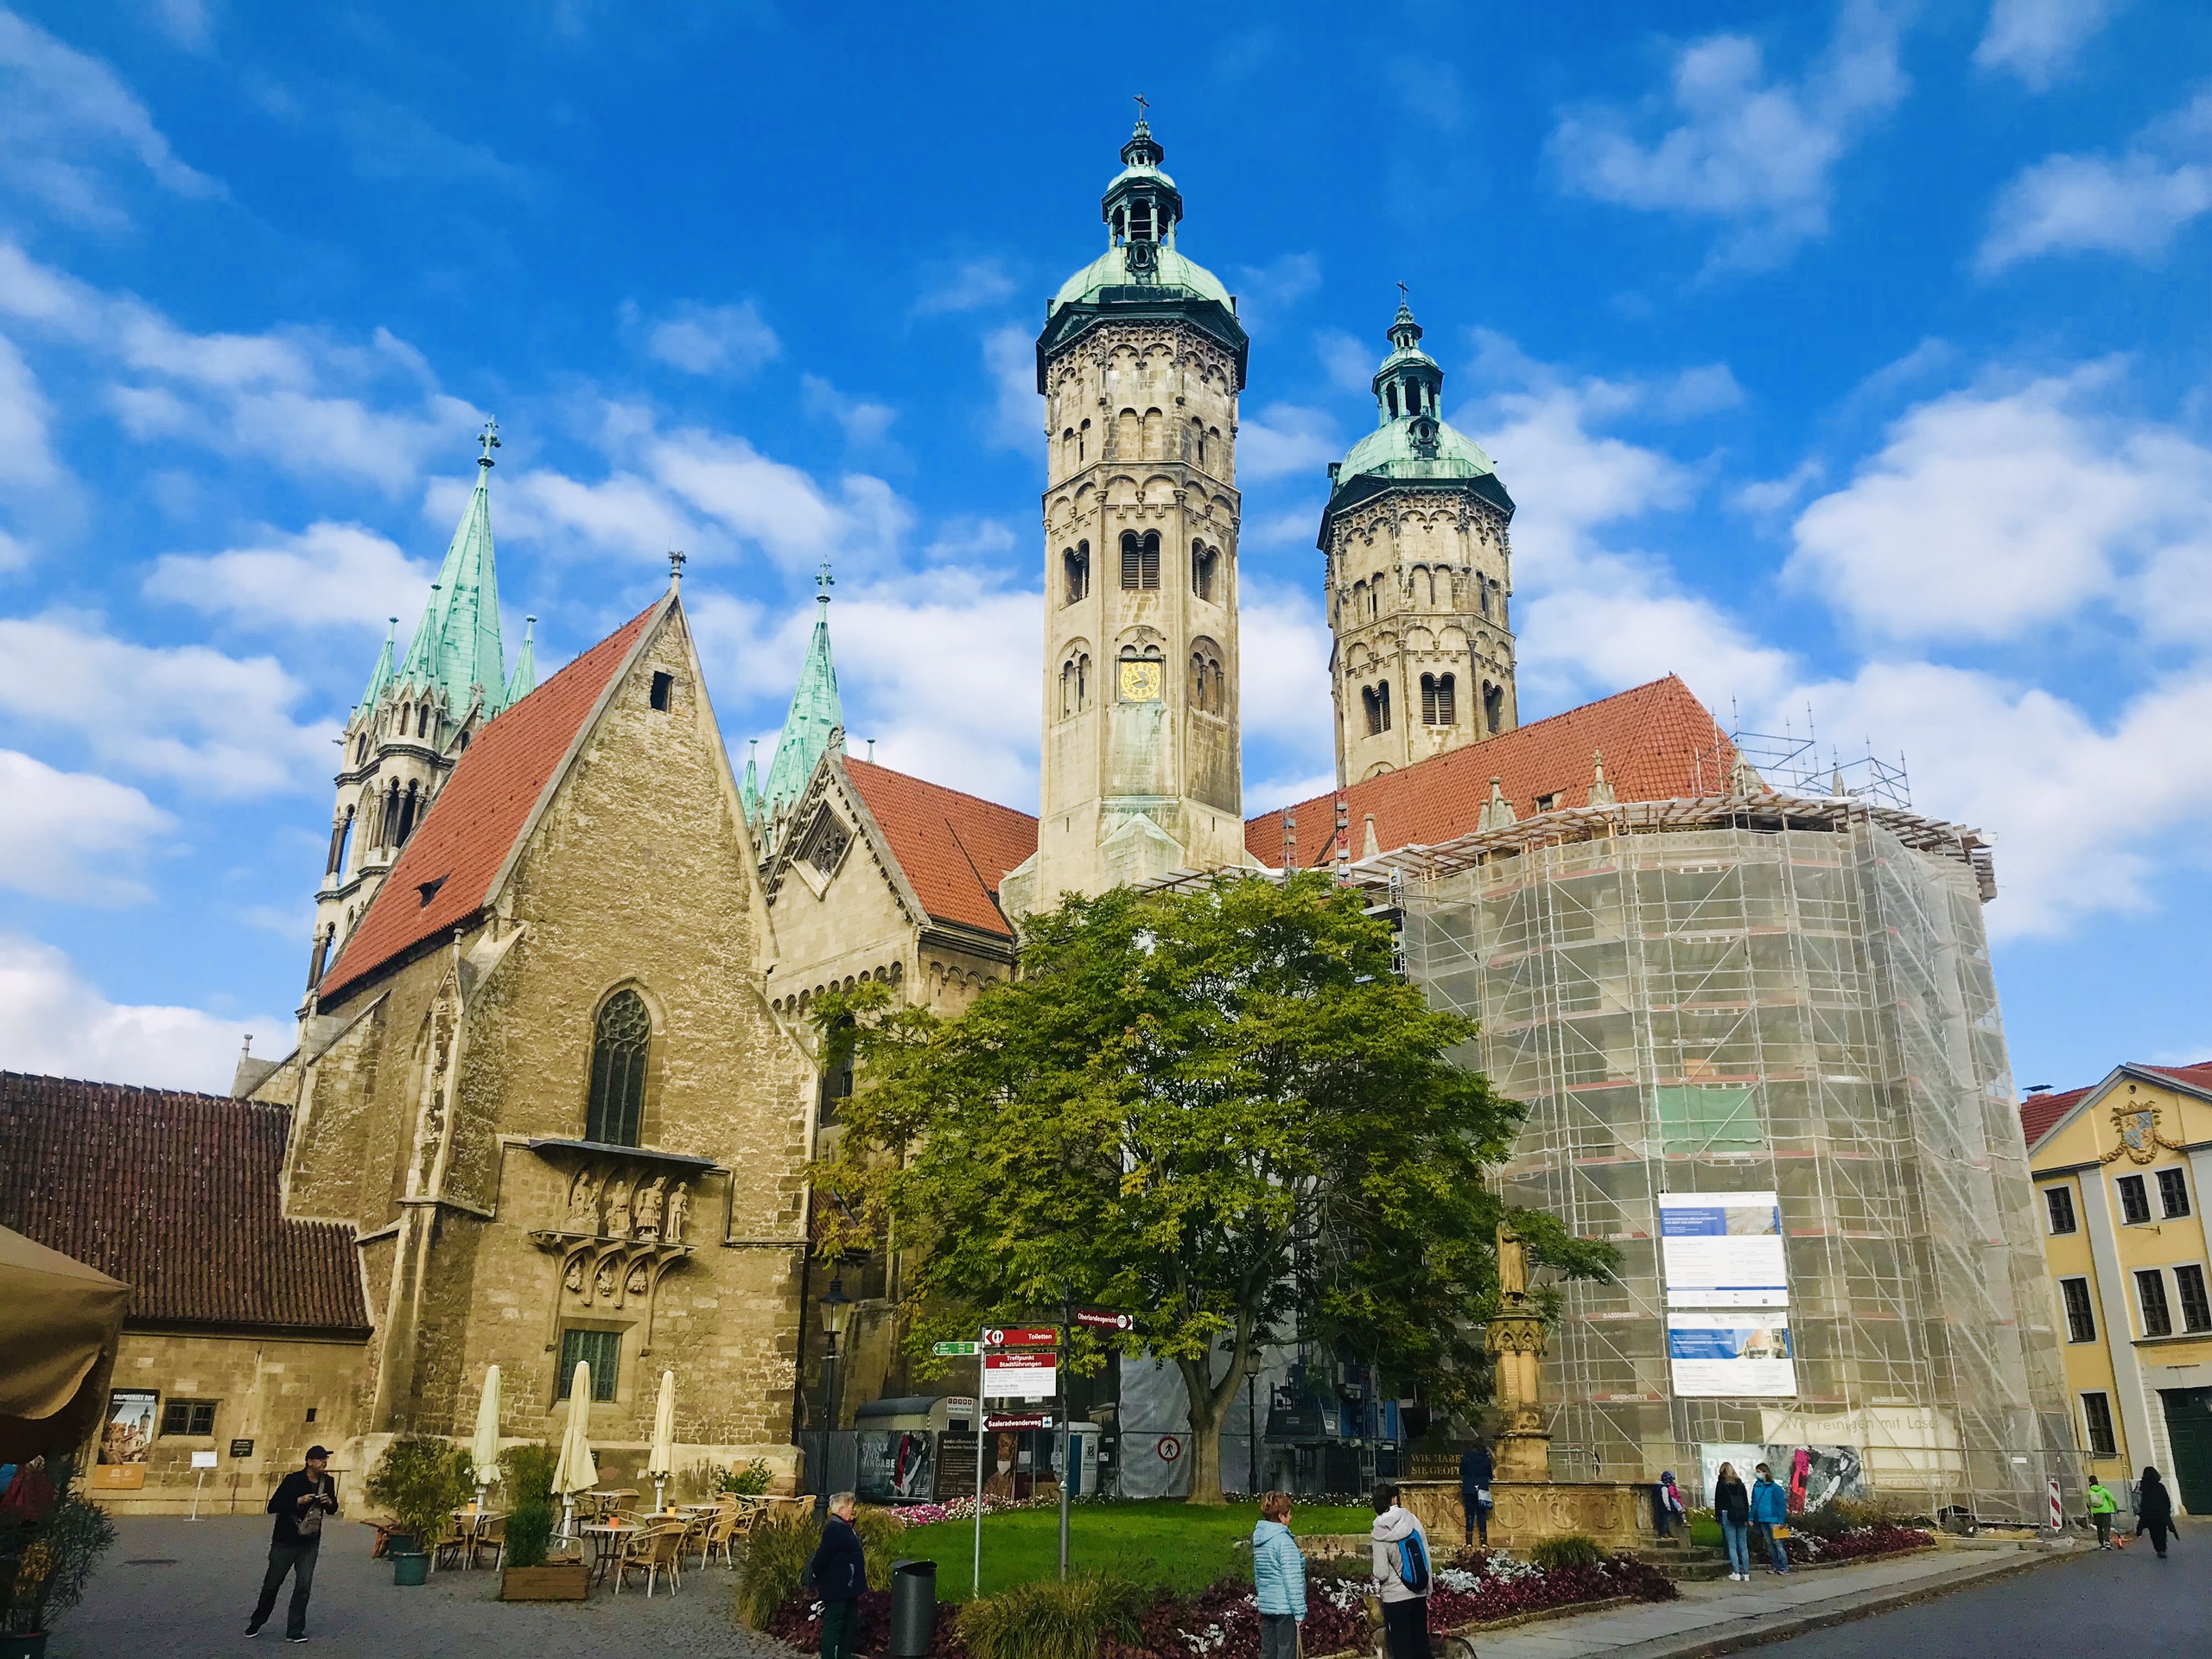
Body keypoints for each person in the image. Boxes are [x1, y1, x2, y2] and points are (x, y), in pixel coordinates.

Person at [248, 1446, 338, 1642]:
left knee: (303, 1587)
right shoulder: (293, 1480)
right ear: (309, 1462)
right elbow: (273, 1506)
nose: (324, 1462)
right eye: (320, 1459)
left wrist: (328, 1502)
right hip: (285, 1542)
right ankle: (257, 1621)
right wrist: (298, 1501)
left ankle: (295, 1630)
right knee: (272, 1585)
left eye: (325, 1459)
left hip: (310, 1542)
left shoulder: (327, 1481)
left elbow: (333, 1509)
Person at [1370, 1482, 1432, 1659]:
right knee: (1422, 1646)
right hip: (1418, 1592)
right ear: (1394, 1499)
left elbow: (1381, 1572)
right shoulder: (1412, 1520)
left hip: (1395, 1599)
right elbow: (1425, 1556)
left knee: (1402, 1649)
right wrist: (1428, 1591)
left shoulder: (1379, 1533)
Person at [804, 1491, 867, 1659]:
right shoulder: (834, 1529)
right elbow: (822, 1557)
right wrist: (816, 1575)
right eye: (851, 1507)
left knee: (850, 1621)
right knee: (834, 1623)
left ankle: (844, 1655)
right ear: (841, 1510)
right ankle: (828, 1656)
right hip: (838, 1585)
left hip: (849, 1586)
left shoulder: (846, 1527)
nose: (854, 1511)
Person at [1252, 1491, 1307, 1659]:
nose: (1291, 1518)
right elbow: (1293, 1581)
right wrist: (1299, 1612)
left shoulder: (1260, 1541)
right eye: (1289, 1514)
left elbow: (1258, 1575)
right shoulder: (1285, 1543)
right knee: (1286, 1652)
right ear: (1282, 1516)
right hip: (1285, 1609)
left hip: (1267, 1606)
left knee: (1268, 1652)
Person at [1750, 1462, 1791, 1574]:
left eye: (1759, 1472)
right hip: (1762, 1518)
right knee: (1769, 1544)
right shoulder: (1757, 1486)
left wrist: (1781, 1520)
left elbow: (1781, 1504)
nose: (1757, 1474)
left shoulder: (1775, 1488)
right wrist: (1751, 1517)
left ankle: (1785, 1567)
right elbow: (1754, 1502)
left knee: (1778, 1543)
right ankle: (1775, 1566)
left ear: (1765, 1473)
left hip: (1774, 1519)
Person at [1713, 1461, 1751, 1582]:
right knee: (1743, 1545)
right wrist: (1747, 1516)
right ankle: (1746, 1573)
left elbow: (1718, 1502)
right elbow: (1745, 1501)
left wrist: (1718, 1517)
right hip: (1741, 1515)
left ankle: (1736, 1572)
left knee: (1732, 1545)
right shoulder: (1740, 1484)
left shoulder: (1722, 1484)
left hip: (1727, 1514)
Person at [2134, 1467, 2177, 1559]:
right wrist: (2168, 1510)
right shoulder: (2160, 1486)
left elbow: (2137, 1498)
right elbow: (2166, 1499)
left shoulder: (2142, 1485)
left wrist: (2139, 1511)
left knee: (2153, 1532)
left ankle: (2158, 1549)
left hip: (2148, 1513)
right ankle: (2162, 1548)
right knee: (2162, 1531)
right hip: (2161, 1513)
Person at [1459, 1439, 1494, 1547]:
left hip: (1469, 1487)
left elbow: (1461, 1471)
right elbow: (1489, 1474)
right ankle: (1483, 1541)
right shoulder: (1485, 1458)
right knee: (1481, 1514)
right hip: (1482, 1488)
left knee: (1470, 1514)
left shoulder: (1466, 1457)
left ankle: (1469, 1541)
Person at [2086, 1477, 2119, 1548]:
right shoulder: (2103, 1490)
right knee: (2106, 1527)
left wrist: (2090, 1509)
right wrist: (2115, 1508)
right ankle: (2107, 1541)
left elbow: (2088, 1502)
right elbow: (2112, 1499)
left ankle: (2101, 1543)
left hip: (2096, 1512)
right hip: (2106, 1511)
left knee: (2099, 1527)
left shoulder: (2089, 1491)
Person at [1653, 1471, 1687, 1540]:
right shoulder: (1664, 1488)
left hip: (1659, 1506)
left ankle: (1667, 1532)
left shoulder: (1657, 1486)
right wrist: (1668, 1506)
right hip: (1664, 1508)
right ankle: (1663, 1533)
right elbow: (1665, 1498)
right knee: (1665, 1520)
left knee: (1665, 1520)